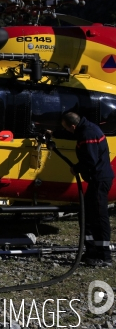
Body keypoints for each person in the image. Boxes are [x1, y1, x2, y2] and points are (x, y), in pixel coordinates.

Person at [61, 112, 114, 267]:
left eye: (67, 128)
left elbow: (90, 160)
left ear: (73, 126)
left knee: (98, 216)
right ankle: (91, 250)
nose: (68, 131)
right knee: (86, 215)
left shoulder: (88, 134)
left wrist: (76, 168)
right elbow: (72, 133)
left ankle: (104, 256)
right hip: (96, 179)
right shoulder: (86, 127)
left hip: (99, 180)